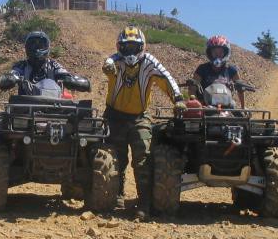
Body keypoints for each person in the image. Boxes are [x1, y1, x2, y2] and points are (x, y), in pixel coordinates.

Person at [102, 25, 186, 218]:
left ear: (142, 46)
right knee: (116, 158)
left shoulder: (150, 62)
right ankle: (116, 196)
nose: (130, 51)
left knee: (143, 159)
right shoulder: (114, 60)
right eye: (126, 47)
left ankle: (144, 203)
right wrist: (107, 66)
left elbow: (167, 78)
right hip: (114, 116)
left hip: (140, 116)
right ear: (119, 47)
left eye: (134, 46)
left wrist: (178, 99)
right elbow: (108, 64)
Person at [0, 31, 73, 95]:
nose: (37, 49)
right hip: (25, 106)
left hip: (52, 104)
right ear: (27, 47)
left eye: (41, 45)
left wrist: (71, 80)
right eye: (33, 45)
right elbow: (14, 73)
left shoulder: (54, 65)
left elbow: (64, 74)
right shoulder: (21, 66)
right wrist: (10, 78)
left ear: (47, 47)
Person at [190, 35, 245, 108]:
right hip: (205, 105)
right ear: (210, 53)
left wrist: (243, 107)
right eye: (215, 52)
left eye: (220, 52)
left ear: (225, 53)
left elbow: (240, 87)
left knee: (234, 107)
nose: (217, 55)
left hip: (226, 104)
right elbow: (192, 88)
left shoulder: (231, 69)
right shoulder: (202, 69)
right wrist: (197, 105)